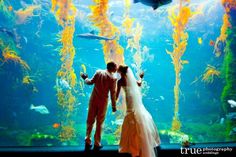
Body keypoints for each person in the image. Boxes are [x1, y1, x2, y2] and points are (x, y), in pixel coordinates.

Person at [116, 65, 161, 157]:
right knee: (139, 115)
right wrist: (140, 77)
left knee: (131, 115)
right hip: (134, 99)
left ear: (120, 72)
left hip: (129, 100)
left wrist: (113, 102)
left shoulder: (120, 81)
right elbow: (139, 83)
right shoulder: (131, 80)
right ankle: (143, 141)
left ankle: (131, 145)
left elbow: (116, 94)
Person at [80, 61, 117, 151]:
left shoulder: (98, 72)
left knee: (90, 120)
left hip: (93, 100)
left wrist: (85, 78)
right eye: (115, 67)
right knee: (99, 122)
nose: (116, 68)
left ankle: (88, 140)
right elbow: (113, 93)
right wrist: (113, 106)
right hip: (103, 102)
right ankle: (97, 143)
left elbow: (90, 82)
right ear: (112, 68)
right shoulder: (113, 78)